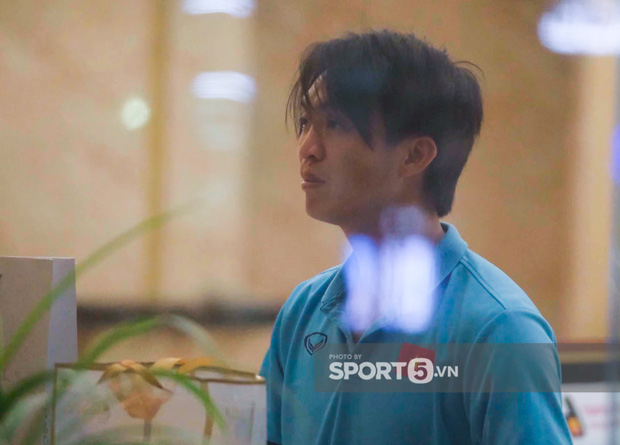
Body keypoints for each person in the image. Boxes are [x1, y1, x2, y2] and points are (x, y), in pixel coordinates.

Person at [259, 29, 572, 445]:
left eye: (334, 124)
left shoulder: (499, 330)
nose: (307, 148)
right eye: (305, 123)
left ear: (414, 155)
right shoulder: (304, 311)